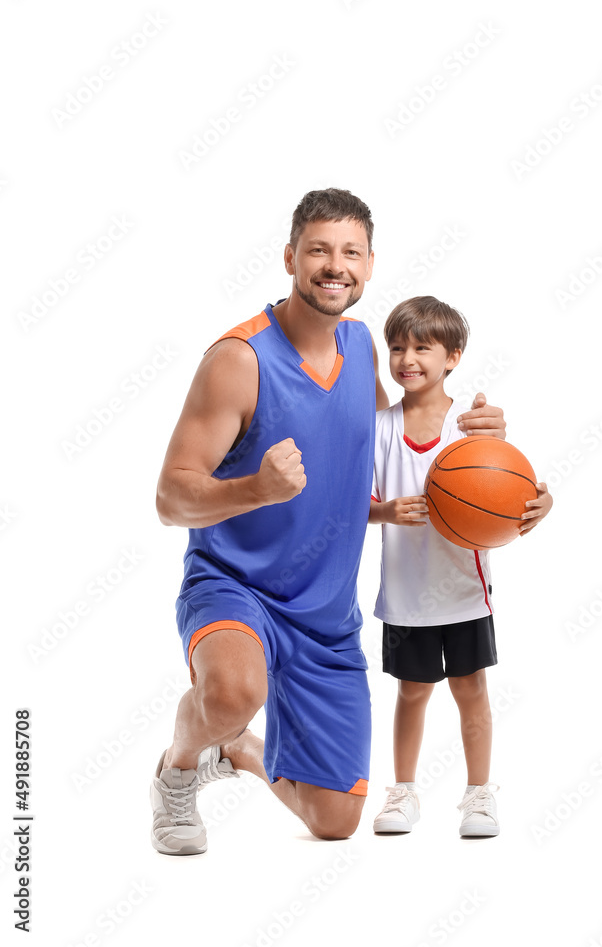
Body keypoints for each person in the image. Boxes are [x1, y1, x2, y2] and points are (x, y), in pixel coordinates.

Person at [149, 189, 508, 854]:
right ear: (290, 257)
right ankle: (177, 768)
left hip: (324, 613)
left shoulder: (362, 346)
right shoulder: (238, 360)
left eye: (349, 252)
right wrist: (255, 487)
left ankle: (238, 752)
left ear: (370, 265)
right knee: (232, 692)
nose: (333, 265)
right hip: (236, 585)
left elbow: (393, 443)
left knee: (334, 820)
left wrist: (487, 451)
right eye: (317, 249)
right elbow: (171, 499)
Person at [369, 296, 552, 837]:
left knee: (471, 688)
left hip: (464, 590)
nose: (407, 358)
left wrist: (544, 504)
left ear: (453, 356)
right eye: (397, 347)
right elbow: (351, 504)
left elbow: (515, 491)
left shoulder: (473, 429)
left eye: (422, 347)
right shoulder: (379, 428)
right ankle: (402, 792)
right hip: (405, 592)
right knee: (411, 692)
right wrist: (384, 511)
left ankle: (479, 794)